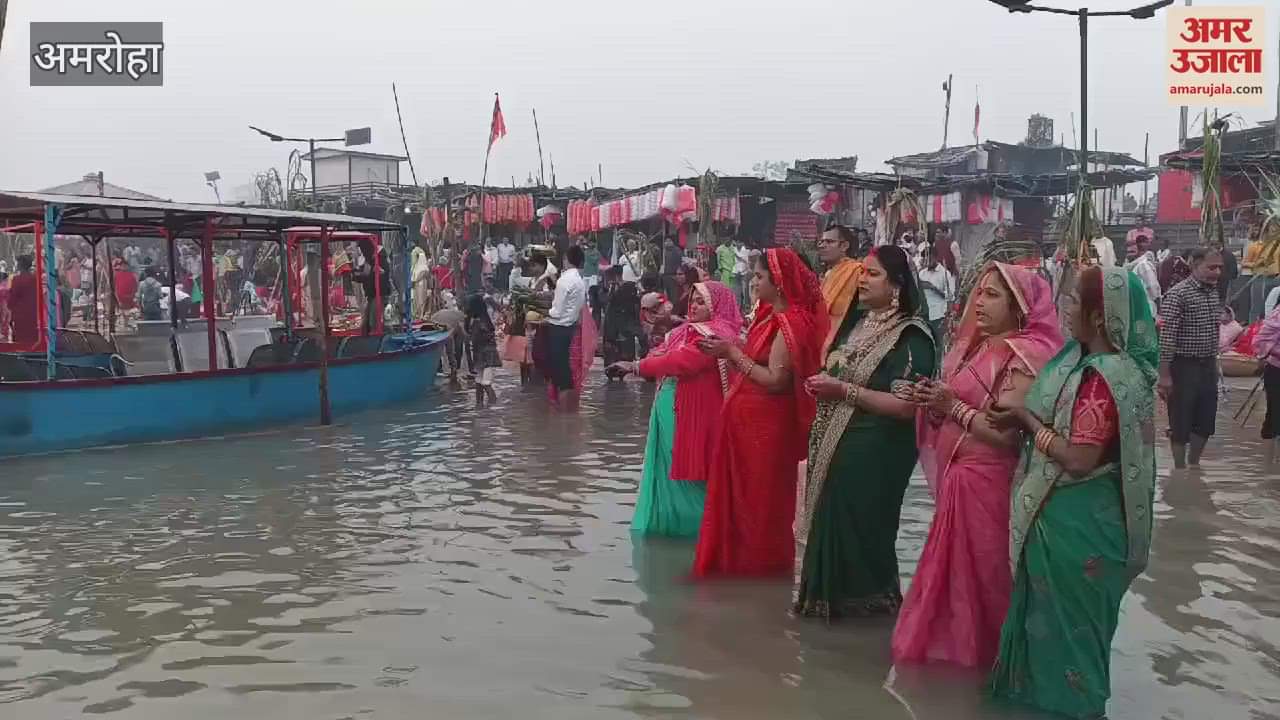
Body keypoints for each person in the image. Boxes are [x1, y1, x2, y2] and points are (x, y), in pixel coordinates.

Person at [986, 265, 1156, 720]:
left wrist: (1024, 420)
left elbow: (1080, 458)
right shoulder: (1105, 367)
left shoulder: (1103, 376)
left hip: (1074, 530)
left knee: (1070, 656)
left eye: (1076, 302)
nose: (1066, 309)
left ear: (1100, 317)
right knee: (1070, 648)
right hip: (1091, 525)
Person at [892, 263, 1063, 667]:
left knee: (985, 580)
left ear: (1018, 305)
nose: (978, 303)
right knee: (953, 580)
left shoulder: (1027, 355)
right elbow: (956, 408)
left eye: (992, 295)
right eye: (979, 293)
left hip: (989, 483)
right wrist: (935, 404)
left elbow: (1006, 434)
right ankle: (950, 670)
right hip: (960, 480)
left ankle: (986, 663)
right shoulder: (977, 347)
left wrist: (953, 406)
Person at [792, 245, 935, 618]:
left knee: (862, 533)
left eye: (873, 274)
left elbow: (907, 406)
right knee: (828, 525)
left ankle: (867, 616)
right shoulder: (855, 323)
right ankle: (824, 621)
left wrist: (843, 391)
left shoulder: (911, 337)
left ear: (898, 286)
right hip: (834, 445)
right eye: (862, 272)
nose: (862, 279)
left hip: (876, 454)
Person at [693, 248, 828, 578]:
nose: (753, 282)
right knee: (742, 502)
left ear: (778, 282)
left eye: (758, 276)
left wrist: (730, 352)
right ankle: (738, 574)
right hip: (745, 424)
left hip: (766, 429)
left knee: (760, 505)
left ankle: (758, 573)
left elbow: (776, 380)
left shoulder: (789, 322)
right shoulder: (768, 316)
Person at [613, 281, 742, 536]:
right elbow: (660, 353)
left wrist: (637, 367)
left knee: (694, 474)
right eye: (692, 301)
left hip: (694, 415)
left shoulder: (717, 334)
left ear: (717, 304)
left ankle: (706, 532)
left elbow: (684, 361)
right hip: (669, 411)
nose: (693, 306)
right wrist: (644, 362)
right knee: (670, 468)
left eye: (701, 301)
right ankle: (672, 531)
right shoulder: (684, 331)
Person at [1159, 247, 1224, 469]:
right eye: (1211, 267)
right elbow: (1167, 338)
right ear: (1194, 265)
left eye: (1219, 268)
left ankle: (1194, 465)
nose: (1216, 273)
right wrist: (1164, 376)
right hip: (1183, 366)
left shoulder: (1213, 292)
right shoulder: (1178, 294)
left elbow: (1214, 330)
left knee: (1206, 421)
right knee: (1180, 422)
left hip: (1207, 365)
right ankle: (1179, 468)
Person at [545, 245, 590, 411]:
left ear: (566, 259)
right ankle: (569, 414)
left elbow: (557, 310)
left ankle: (563, 414)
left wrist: (545, 313)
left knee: (560, 372)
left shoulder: (565, 280)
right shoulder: (579, 280)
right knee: (564, 370)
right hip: (569, 327)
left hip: (558, 327)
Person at [817, 224, 864, 355]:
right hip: (820, 340)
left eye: (829, 242)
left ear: (844, 246)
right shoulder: (828, 274)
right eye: (821, 241)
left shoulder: (857, 271)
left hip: (844, 342)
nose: (822, 245)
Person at [601, 267, 644, 380]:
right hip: (619, 329)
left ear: (615, 276)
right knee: (618, 355)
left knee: (620, 354)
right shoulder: (625, 288)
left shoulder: (623, 289)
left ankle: (617, 371)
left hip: (620, 328)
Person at [1253, 303, 1280, 463]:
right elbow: (1262, 339)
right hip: (1277, 370)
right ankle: (1270, 462)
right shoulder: (1278, 314)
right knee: (1275, 414)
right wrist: (1263, 356)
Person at [916, 245, 956, 353]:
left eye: (929, 258)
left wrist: (933, 288)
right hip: (924, 313)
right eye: (925, 258)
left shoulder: (945, 274)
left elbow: (950, 296)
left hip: (938, 314)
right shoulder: (922, 273)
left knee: (937, 344)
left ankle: (938, 367)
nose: (927, 260)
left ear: (935, 257)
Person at [466, 293, 500, 407]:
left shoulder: (476, 322)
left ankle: (482, 407)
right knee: (482, 382)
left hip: (481, 355)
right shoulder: (484, 320)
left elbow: (475, 339)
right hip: (485, 355)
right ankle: (488, 408)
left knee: (482, 382)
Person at [354, 240, 392, 336]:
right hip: (372, 294)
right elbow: (366, 275)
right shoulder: (368, 259)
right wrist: (355, 275)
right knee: (365, 324)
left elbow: (382, 274)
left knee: (373, 321)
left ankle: (383, 338)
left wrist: (375, 273)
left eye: (363, 250)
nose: (362, 252)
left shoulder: (380, 258)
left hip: (380, 293)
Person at [1124, 233, 1161, 314]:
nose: (1129, 254)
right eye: (1128, 252)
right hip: (1142, 307)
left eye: (1132, 251)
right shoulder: (1137, 265)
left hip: (1143, 307)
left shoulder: (1141, 265)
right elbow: (1151, 287)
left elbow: (1152, 288)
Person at [6, 255, 38, 346]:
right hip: (33, 313)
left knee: (20, 340)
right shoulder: (35, 278)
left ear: (20, 264)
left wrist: (9, 306)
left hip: (20, 314)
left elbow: (12, 299)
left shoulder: (17, 279)